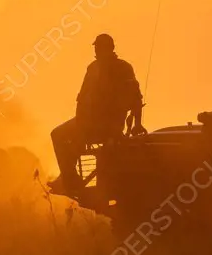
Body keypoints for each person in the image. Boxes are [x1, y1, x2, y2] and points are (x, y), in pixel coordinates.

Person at [50, 34, 146, 196]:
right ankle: (69, 178)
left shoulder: (120, 69)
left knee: (58, 135)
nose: (96, 50)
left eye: (99, 47)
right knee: (60, 134)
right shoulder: (96, 68)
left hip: (104, 127)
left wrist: (137, 124)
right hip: (89, 124)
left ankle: (69, 179)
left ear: (110, 48)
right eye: (96, 47)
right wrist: (80, 124)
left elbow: (135, 98)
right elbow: (82, 99)